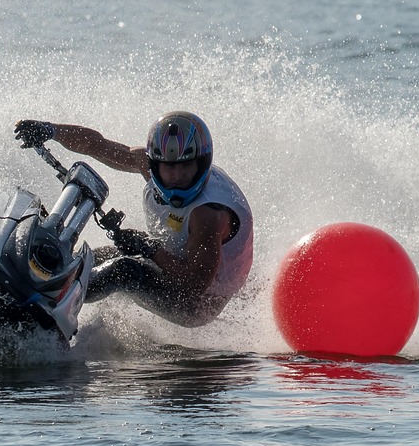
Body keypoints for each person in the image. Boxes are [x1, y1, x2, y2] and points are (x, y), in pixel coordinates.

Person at [14, 111, 253, 327]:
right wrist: (51, 130)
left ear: (202, 163)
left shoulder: (209, 214)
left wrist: (149, 248)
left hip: (197, 303)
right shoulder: (148, 164)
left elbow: (193, 285)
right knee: (96, 258)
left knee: (124, 270)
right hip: (171, 267)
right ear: (154, 164)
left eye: (186, 166)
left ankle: (42, 307)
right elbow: (97, 145)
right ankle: (30, 279)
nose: (177, 176)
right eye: (169, 168)